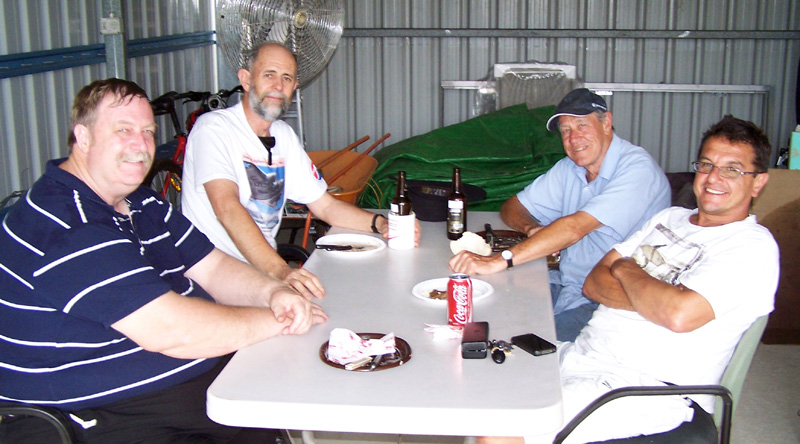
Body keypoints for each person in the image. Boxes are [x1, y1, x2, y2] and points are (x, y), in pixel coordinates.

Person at [0, 78, 327, 443]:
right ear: (83, 137)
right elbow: (171, 331)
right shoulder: (64, 222)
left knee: (281, 391)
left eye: (148, 132)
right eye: (123, 130)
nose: (141, 145)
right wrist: (277, 322)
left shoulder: (141, 202)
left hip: (167, 386)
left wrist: (272, 294)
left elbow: (212, 267)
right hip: (92, 412)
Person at [478, 115, 779, 444]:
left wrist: (624, 268)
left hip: (643, 388)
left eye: (732, 169)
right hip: (581, 355)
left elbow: (678, 315)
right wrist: (661, 298)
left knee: (501, 429)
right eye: (706, 165)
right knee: (476, 378)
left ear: (758, 182)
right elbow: (594, 282)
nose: (713, 178)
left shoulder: (751, 247)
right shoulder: (670, 218)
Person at [181, 42, 418, 300]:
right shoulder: (214, 129)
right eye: (269, 75)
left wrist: (381, 224)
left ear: (294, 87)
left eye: (286, 78)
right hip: (212, 278)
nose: (278, 86)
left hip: (261, 272)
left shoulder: (283, 135)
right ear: (246, 80)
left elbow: (325, 206)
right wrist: (281, 270)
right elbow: (226, 207)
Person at [449, 88, 671, 341]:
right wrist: (532, 228)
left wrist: (500, 260)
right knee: (488, 312)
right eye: (565, 130)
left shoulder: (638, 170)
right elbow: (513, 207)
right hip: (567, 282)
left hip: (609, 300)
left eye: (582, 125)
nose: (574, 138)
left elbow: (575, 227)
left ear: (606, 123)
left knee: (531, 350)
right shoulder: (569, 169)